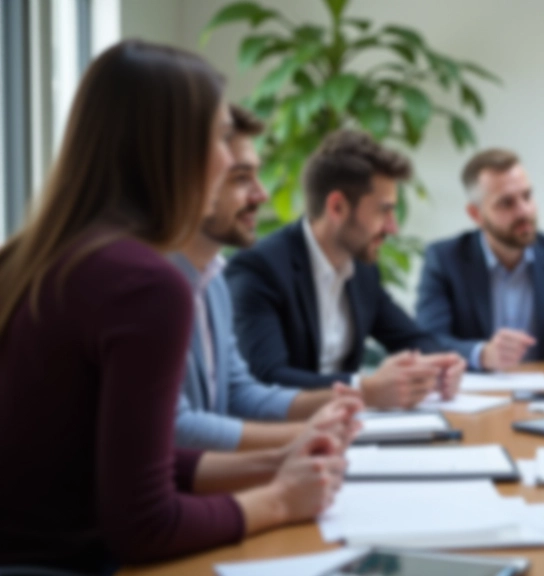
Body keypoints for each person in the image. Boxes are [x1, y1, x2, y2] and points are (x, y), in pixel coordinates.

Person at [0, 41, 359, 572]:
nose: (227, 156)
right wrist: (280, 500)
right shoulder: (145, 284)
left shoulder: (30, 255)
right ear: (173, 148)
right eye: (218, 137)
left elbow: (121, 464)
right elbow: (143, 525)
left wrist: (273, 462)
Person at [225, 129, 465, 409]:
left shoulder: (361, 269)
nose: (393, 227)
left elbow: (412, 337)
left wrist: (442, 365)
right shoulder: (259, 268)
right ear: (337, 207)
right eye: (383, 211)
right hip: (285, 435)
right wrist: (363, 388)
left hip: (350, 430)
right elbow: (267, 377)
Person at [172, 104, 360, 451]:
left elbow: (238, 392)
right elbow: (175, 431)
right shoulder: (152, 283)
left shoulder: (213, 279)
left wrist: (338, 406)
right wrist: (304, 436)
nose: (262, 194)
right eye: (241, 178)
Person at [416, 148, 544, 371]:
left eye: (527, 196)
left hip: (542, 392)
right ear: (476, 215)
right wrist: (482, 354)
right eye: (506, 203)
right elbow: (428, 341)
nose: (524, 211)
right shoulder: (445, 259)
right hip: (473, 394)